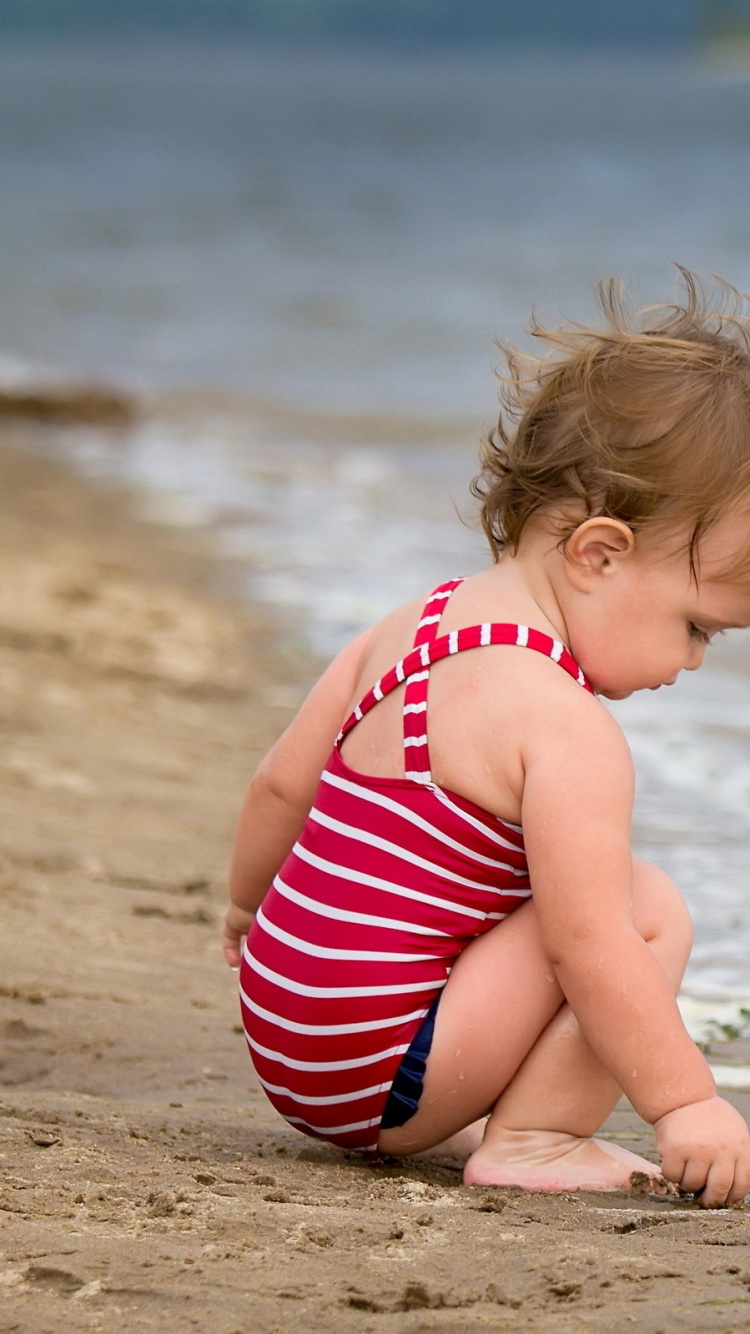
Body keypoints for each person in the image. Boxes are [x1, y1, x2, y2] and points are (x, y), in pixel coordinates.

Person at [223, 271, 750, 1207]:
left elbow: (277, 789)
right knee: (646, 905)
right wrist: (686, 1104)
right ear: (599, 553)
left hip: (279, 1033)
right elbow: (587, 947)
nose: (695, 663)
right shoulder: (564, 725)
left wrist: (244, 914)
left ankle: (467, 1104)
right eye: (698, 627)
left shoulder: (411, 624)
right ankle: (538, 1138)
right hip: (377, 1077)